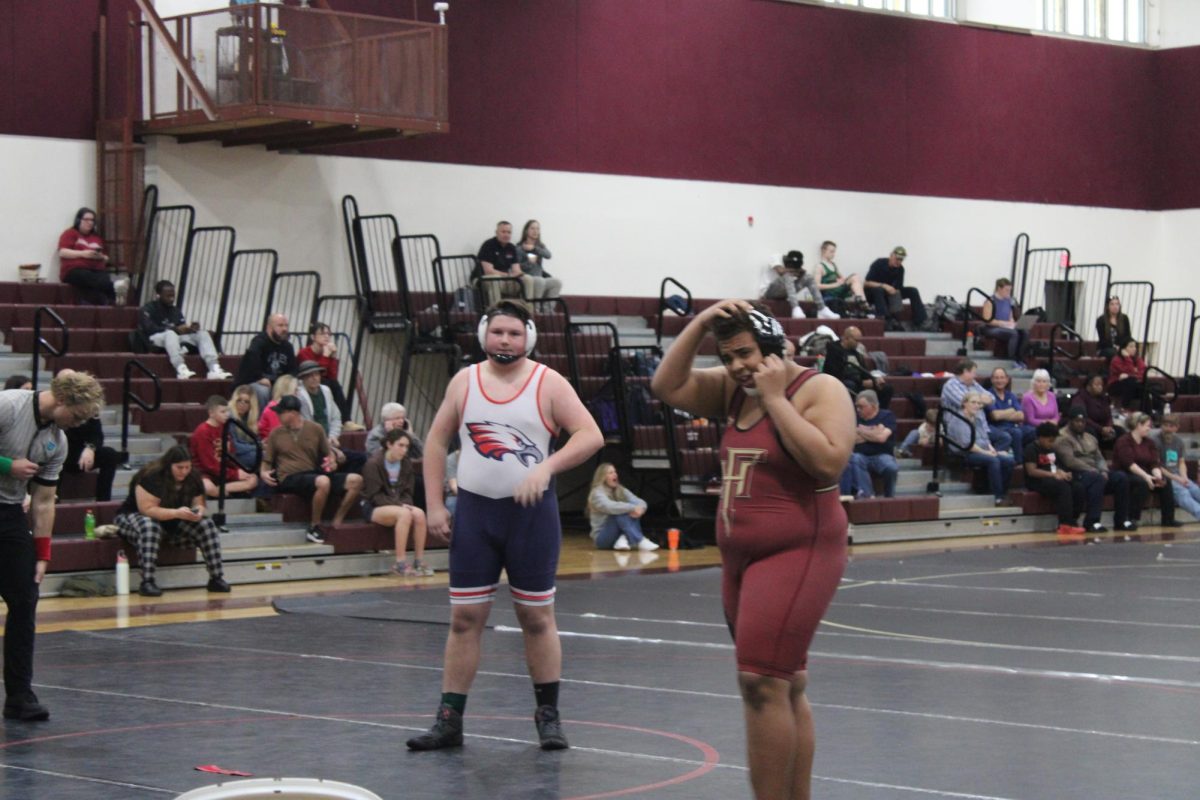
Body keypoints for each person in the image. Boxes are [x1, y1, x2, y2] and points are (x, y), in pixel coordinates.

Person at [650, 300, 853, 800]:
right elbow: (666, 387)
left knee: (760, 682)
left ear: (775, 346)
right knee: (785, 683)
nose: (738, 365)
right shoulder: (733, 389)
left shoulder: (821, 389)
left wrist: (777, 399)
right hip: (740, 559)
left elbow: (829, 463)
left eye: (745, 353)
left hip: (799, 549)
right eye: (728, 355)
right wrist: (699, 324)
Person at [407, 301, 603, 752]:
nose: (505, 341)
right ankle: (449, 719)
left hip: (530, 518)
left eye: (514, 333)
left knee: (536, 617)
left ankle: (548, 716)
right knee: (465, 618)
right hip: (476, 515)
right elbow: (436, 440)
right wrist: (435, 506)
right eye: (497, 332)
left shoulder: (547, 382)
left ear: (528, 337)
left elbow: (590, 434)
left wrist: (546, 468)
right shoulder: (465, 381)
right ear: (484, 334)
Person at [0, 370, 104, 720]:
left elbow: (44, 500)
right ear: (61, 399)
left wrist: (43, 554)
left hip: (9, 512)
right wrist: (5, 465)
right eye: (76, 416)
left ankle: (19, 695)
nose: (77, 425)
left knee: (25, 597)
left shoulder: (57, 442)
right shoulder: (8, 406)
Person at [114, 446, 232, 597]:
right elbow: (147, 510)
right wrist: (176, 512)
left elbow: (199, 503)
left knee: (207, 524)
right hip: (134, 517)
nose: (183, 471)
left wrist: (198, 511)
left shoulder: (193, 477)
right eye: (179, 467)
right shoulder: (152, 476)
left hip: (171, 521)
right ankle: (147, 581)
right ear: (169, 465)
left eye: (187, 467)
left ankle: (216, 578)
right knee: (151, 526)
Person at [260, 395, 363, 544]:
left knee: (356, 480)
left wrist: (332, 461)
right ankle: (315, 526)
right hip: (289, 476)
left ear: (293, 413)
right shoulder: (276, 433)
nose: (278, 414)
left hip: (312, 474)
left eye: (281, 412)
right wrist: (263, 472)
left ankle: (337, 521)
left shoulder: (315, 428)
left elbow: (328, 453)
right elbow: (267, 461)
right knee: (323, 481)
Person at [361, 429, 433, 577]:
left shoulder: (406, 463)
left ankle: (419, 561)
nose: (404, 450)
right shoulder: (373, 464)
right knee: (405, 514)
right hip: (374, 506)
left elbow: (408, 491)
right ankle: (400, 563)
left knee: (419, 514)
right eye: (400, 445)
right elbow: (375, 496)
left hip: (398, 504)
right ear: (389, 444)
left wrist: (404, 503)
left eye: (406, 446)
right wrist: (400, 505)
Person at [1055, 406, 1134, 533]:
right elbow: (1070, 461)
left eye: (1083, 422)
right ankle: (1092, 521)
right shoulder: (1062, 437)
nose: (1080, 424)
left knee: (1120, 477)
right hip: (1076, 473)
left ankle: (1122, 519)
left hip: (1095, 472)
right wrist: (1094, 471)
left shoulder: (1090, 437)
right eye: (1077, 421)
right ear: (1070, 421)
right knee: (1096, 479)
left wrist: (1103, 470)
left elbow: (1099, 458)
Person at [136, 280, 232, 381]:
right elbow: (150, 329)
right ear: (158, 295)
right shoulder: (148, 308)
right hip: (156, 337)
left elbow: (181, 328)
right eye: (168, 296)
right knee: (170, 333)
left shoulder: (175, 310)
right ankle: (181, 368)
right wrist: (174, 329)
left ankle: (214, 368)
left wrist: (190, 329)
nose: (172, 299)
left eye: (173, 295)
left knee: (202, 334)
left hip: (175, 337)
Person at [295, 360, 365, 473]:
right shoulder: (300, 396)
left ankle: (343, 485)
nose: (314, 378)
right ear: (302, 378)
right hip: (312, 446)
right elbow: (308, 427)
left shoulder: (326, 390)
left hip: (330, 441)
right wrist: (331, 448)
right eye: (309, 376)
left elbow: (336, 417)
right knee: (330, 464)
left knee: (361, 458)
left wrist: (333, 436)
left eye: (316, 374)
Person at [945, 392, 1014, 505]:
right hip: (965, 453)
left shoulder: (977, 420)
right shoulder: (959, 420)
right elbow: (968, 445)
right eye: (973, 402)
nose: (976, 405)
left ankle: (1002, 492)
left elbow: (986, 439)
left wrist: (993, 450)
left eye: (979, 403)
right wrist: (988, 453)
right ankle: (998, 497)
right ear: (964, 404)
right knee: (993, 460)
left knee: (1009, 460)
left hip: (982, 450)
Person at [1113, 413, 1180, 528]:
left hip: (1145, 473)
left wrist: (1157, 476)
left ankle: (1168, 519)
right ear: (1138, 425)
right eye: (1147, 426)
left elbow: (1154, 462)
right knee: (1141, 483)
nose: (1149, 428)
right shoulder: (1123, 441)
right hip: (1126, 473)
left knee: (1165, 482)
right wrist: (1146, 477)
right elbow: (1129, 464)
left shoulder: (1149, 442)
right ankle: (1131, 518)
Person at [189, 395, 259, 498]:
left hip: (224, 471)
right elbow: (208, 465)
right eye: (222, 412)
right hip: (205, 473)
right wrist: (235, 474)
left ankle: (221, 491)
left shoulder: (225, 428)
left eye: (227, 411)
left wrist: (239, 470)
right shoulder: (202, 432)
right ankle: (221, 492)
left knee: (253, 479)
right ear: (211, 413)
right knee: (207, 487)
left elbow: (231, 456)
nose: (227, 415)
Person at [1023, 422, 1085, 536]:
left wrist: (1062, 473)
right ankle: (1064, 524)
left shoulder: (1051, 450)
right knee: (1063, 487)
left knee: (1078, 487)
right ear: (1041, 438)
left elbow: (1054, 466)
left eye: (1054, 441)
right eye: (1050, 441)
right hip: (1037, 481)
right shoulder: (1031, 449)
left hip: (1051, 478)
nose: (1052, 444)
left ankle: (1073, 521)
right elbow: (1032, 471)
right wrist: (1053, 475)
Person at [941, 360, 1011, 454]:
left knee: (1006, 437)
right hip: (962, 427)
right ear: (966, 371)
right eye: (974, 372)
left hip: (981, 426)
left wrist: (976, 401)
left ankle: (991, 458)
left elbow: (992, 398)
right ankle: (985, 458)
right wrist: (981, 400)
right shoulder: (951, 385)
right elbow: (964, 403)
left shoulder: (974, 384)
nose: (975, 375)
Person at [840, 390, 898, 498]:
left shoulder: (887, 416)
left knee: (891, 467)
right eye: (857, 406)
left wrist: (859, 430)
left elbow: (881, 438)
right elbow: (852, 439)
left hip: (882, 455)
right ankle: (867, 496)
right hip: (860, 455)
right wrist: (873, 431)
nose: (858, 410)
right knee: (855, 458)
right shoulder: (855, 417)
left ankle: (890, 498)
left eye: (861, 407)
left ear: (874, 406)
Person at [822, 325, 893, 409]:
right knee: (850, 385)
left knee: (887, 388)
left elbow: (863, 371)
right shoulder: (834, 350)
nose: (858, 343)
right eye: (856, 340)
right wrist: (861, 382)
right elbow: (836, 373)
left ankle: (878, 415)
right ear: (846, 338)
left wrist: (874, 380)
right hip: (842, 383)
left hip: (858, 382)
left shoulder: (856, 353)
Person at [587, 463, 655, 550]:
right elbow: (610, 506)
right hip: (602, 539)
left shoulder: (620, 489)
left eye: (615, 472)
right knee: (621, 512)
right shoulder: (597, 493)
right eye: (610, 473)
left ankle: (622, 539)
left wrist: (641, 509)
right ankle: (639, 540)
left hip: (617, 533)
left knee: (628, 510)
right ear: (603, 477)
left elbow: (640, 502)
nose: (615, 474)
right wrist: (632, 507)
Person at [235, 313, 298, 407]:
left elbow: (292, 370)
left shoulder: (288, 347)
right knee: (263, 390)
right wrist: (260, 377)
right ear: (269, 328)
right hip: (254, 382)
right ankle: (262, 420)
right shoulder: (259, 342)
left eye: (286, 325)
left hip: (277, 384)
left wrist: (289, 383)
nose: (285, 329)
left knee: (298, 390)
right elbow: (251, 364)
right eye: (280, 325)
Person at [58, 207, 115, 305]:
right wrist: (83, 254)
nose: (90, 223)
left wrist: (100, 257)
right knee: (90, 278)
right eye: (86, 219)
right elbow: (63, 252)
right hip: (75, 270)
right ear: (78, 220)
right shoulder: (70, 233)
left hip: (96, 269)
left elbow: (106, 257)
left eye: (92, 220)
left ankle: (109, 303)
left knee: (105, 280)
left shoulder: (97, 238)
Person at [864, 246, 928, 331]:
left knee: (913, 291)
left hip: (889, 294)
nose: (898, 261)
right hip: (874, 293)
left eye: (901, 260)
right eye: (897, 259)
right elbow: (866, 283)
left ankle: (920, 320)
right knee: (878, 290)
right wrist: (884, 286)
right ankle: (886, 319)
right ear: (891, 255)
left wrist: (894, 293)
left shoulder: (900, 269)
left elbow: (898, 288)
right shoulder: (879, 263)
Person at [762, 251, 839, 320]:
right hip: (770, 293)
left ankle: (822, 308)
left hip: (784, 295)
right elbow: (781, 271)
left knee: (808, 277)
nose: (793, 269)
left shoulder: (795, 266)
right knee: (788, 276)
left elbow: (802, 271)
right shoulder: (776, 258)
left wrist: (801, 274)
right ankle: (795, 308)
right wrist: (796, 271)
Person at [62, 413, 122, 502]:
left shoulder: (90, 411)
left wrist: (90, 448)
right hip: (60, 453)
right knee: (52, 457)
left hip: (80, 455)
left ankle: (103, 502)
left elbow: (97, 435)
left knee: (110, 454)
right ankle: (53, 501)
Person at [1151, 413, 1200, 521]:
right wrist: (1177, 479)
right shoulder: (1155, 441)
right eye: (1165, 425)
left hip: (1177, 473)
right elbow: (1157, 466)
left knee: (1195, 489)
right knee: (1183, 493)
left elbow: (1181, 462)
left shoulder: (1179, 441)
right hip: (1163, 475)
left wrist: (1184, 477)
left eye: (1171, 426)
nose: (1168, 429)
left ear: (1177, 428)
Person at [296, 322, 350, 418]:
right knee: (327, 383)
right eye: (322, 334)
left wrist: (333, 357)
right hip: (306, 382)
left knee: (335, 385)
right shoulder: (304, 353)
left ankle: (346, 420)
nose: (326, 337)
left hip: (324, 382)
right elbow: (314, 372)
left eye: (328, 334)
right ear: (313, 337)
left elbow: (333, 376)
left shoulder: (328, 351)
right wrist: (325, 356)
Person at [474, 221, 528, 307]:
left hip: (505, 279)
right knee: (495, 279)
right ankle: (496, 311)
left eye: (509, 232)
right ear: (497, 233)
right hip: (483, 279)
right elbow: (488, 271)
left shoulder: (511, 247)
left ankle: (528, 311)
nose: (506, 235)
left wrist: (520, 274)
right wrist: (508, 275)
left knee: (528, 279)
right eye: (503, 232)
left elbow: (516, 270)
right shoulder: (488, 245)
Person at [979, 278, 1028, 369]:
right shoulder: (990, 301)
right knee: (1013, 334)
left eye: (1010, 290)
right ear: (999, 288)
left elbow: (1010, 317)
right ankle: (1011, 360)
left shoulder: (1009, 301)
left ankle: (1020, 359)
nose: (1008, 292)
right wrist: (1004, 323)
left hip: (1006, 326)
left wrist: (1013, 323)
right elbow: (988, 320)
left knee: (1024, 332)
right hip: (991, 328)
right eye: (1006, 290)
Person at [816, 240, 868, 315]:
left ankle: (863, 304)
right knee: (854, 277)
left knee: (855, 277)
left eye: (834, 252)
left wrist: (845, 283)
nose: (833, 254)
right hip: (829, 292)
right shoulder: (819, 266)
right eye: (831, 251)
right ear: (823, 250)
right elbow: (817, 286)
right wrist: (835, 284)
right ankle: (863, 304)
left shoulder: (833, 265)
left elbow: (843, 279)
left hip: (838, 290)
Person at [516, 220, 563, 299]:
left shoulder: (539, 247)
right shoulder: (519, 248)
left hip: (540, 277)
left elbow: (548, 255)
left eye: (537, 229)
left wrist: (534, 248)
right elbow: (517, 267)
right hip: (527, 279)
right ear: (526, 231)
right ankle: (536, 309)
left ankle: (548, 309)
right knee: (539, 281)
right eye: (532, 229)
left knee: (557, 282)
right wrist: (529, 263)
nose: (535, 231)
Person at [987, 367, 1032, 449]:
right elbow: (995, 416)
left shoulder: (1011, 395)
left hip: (1012, 426)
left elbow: (1021, 416)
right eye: (996, 378)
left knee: (1032, 431)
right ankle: (1018, 461)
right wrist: (1012, 410)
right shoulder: (988, 395)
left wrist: (1003, 414)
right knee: (1016, 432)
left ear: (1007, 379)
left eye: (1002, 378)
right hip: (997, 427)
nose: (999, 381)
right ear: (992, 380)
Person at [1070, 373, 1121, 445]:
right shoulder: (1080, 397)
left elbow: (1109, 415)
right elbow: (1083, 418)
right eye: (1097, 385)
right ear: (1088, 386)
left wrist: (1109, 426)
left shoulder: (1103, 398)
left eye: (1101, 385)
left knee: (1120, 431)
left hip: (1104, 427)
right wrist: (1101, 429)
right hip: (1088, 426)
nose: (1100, 387)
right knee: (1091, 432)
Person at [1107, 337, 1147, 412]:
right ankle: (1124, 407)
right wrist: (1127, 358)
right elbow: (1130, 370)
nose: (1134, 349)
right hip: (1115, 385)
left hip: (1133, 384)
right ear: (1123, 348)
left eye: (1135, 346)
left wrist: (1129, 375)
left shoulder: (1138, 359)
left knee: (1146, 389)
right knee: (1130, 381)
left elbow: (1142, 374)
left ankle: (1148, 413)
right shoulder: (1116, 360)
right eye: (1131, 346)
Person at [256, 374, 298, 443]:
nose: (298, 394)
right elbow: (279, 436)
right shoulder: (273, 408)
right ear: (287, 390)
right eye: (295, 391)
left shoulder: (290, 408)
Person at [229, 385, 262, 470]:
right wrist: (258, 446)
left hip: (245, 453)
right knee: (262, 456)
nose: (242, 404)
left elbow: (254, 440)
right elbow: (235, 447)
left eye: (246, 402)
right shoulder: (230, 418)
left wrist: (261, 444)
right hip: (233, 457)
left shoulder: (250, 419)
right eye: (239, 400)